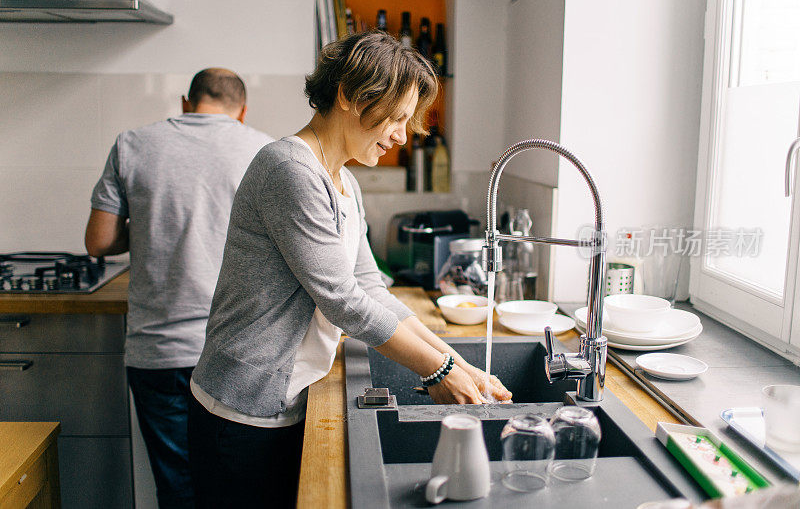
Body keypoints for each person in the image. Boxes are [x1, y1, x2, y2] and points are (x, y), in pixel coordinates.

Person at [187, 31, 512, 508]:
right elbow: (342, 301)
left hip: (288, 399)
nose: (403, 135)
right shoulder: (289, 170)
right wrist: (438, 370)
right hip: (241, 411)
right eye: (397, 118)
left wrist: (463, 366)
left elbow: (370, 289)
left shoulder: (344, 182)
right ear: (348, 95)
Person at [84, 68, 273, 509]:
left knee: (179, 491)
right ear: (241, 112)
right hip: (237, 353)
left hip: (159, 351)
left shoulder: (131, 144)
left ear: (186, 104)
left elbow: (98, 241)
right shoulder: (264, 149)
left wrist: (152, 226)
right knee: (238, 493)